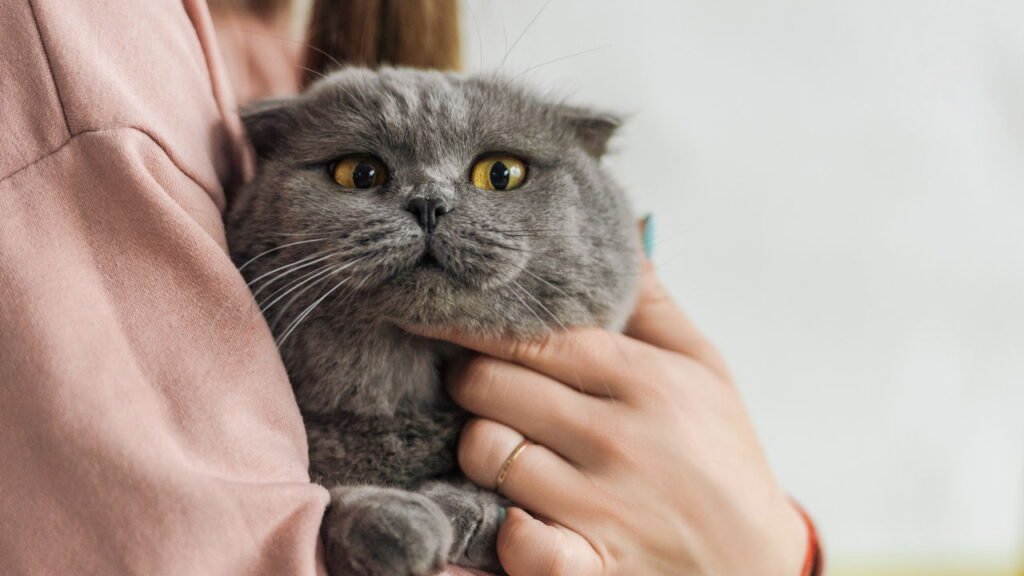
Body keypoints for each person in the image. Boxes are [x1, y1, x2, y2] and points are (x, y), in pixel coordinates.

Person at [0, 0, 821, 574]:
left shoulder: (282, 46)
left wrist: (769, 550)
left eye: (499, 173)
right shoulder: (70, 40)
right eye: (363, 173)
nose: (432, 201)